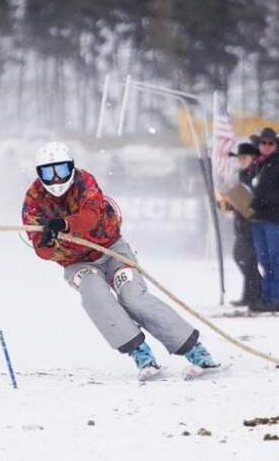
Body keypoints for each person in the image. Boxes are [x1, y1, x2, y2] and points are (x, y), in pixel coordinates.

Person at [22, 141, 219, 380]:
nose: (55, 180)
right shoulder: (34, 198)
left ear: (71, 168)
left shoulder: (84, 182)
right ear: (39, 174)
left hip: (112, 250)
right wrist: (47, 239)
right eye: (48, 173)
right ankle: (140, 354)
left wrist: (66, 224)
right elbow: (40, 249)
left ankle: (195, 351)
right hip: (76, 262)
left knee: (133, 297)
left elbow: (91, 216)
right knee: (95, 294)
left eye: (60, 171)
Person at [248, 127, 279, 312]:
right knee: (264, 259)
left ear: (276, 145)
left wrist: (264, 199)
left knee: (275, 257)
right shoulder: (256, 164)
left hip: (274, 219)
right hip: (256, 218)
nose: (266, 146)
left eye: (270, 143)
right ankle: (267, 297)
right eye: (263, 143)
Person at [225, 142, 263, 308]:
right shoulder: (243, 174)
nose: (241, 160)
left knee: (245, 257)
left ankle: (256, 292)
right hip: (242, 220)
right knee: (244, 258)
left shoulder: (258, 174)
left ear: (253, 158)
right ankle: (250, 294)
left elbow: (257, 197)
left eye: (244, 157)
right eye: (239, 158)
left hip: (253, 222)